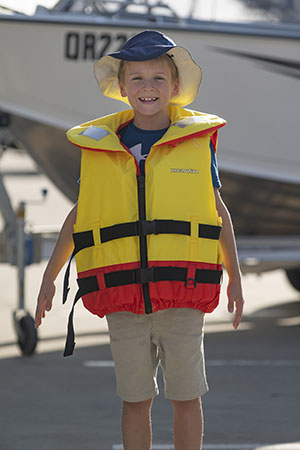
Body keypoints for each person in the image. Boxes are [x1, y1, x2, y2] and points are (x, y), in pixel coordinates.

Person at [35, 30, 244, 450]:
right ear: (122, 87)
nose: (148, 87)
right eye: (137, 78)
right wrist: (49, 276)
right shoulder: (100, 147)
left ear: (175, 87)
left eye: (158, 78)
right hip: (123, 296)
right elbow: (80, 216)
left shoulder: (197, 142)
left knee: (186, 397)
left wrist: (235, 277)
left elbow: (217, 212)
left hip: (182, 293)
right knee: (135, 400)